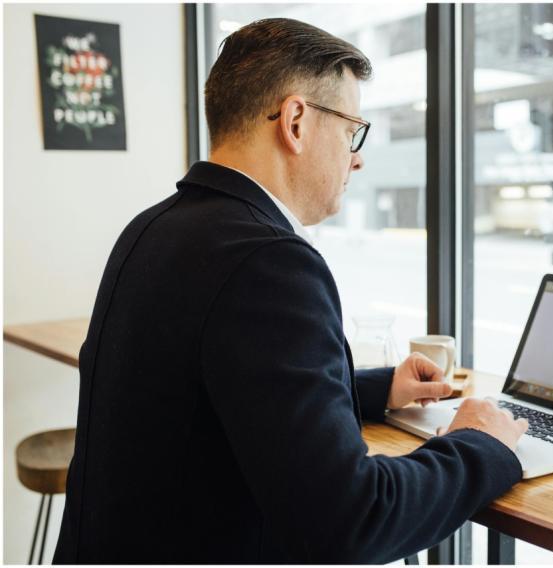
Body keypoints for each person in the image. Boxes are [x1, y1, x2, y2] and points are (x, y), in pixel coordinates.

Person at [54, 18, 527, 564]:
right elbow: (351, 522)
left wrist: (375, 389)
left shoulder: (151, 228)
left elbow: (219, 387)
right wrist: (478, 444)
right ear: (296, 121)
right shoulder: (268, 261)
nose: (357, 157)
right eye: (353, 130)